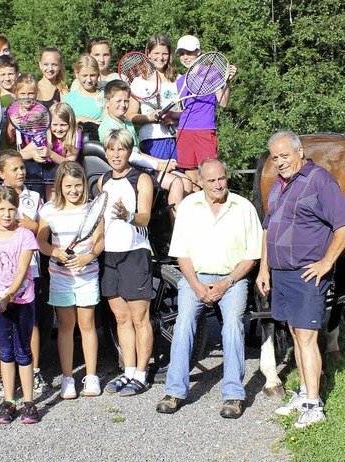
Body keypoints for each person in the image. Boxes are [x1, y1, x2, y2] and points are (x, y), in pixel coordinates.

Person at [157, 158, 262, 419]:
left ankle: (234, 395)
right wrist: (196, 285)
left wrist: (228, 282)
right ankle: (174, 392)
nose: (218, 184)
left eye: (221, 179)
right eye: (211, 180)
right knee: (183, 324)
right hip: (196, 277)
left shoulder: (243, 207)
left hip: (232, 278)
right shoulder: (189, 207)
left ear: (227, 178)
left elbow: (253, 254)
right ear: (200, 182)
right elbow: (181, 254)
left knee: (232, 327)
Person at [256, 131, 345, 428]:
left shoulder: (319, 179)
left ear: (300, 153)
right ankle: (305, 393)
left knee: (306, 338)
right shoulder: (278, 187)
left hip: (306, 272)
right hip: (281, 273)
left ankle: (314, 405)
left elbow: (342, 227)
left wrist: (326, 263)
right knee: (295, 334)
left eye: (285, 155)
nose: (280, 162)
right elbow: (268, 230)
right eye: (275, 157)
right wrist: (264, 269)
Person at [37, 161, 104, 398]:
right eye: (68, 186)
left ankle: (92, 376)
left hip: (87, 276)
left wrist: (88, 257)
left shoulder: (92, 209)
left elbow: (99, 241)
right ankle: (67, 378)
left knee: (87, 326)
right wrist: (56, 253)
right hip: (61, 277)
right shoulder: (48, 210)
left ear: (84, 185)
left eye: (78, 185)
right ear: (60, 186)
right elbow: (42, 242)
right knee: (66, 326)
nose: (73, 191)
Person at [97, 129, 154, 397]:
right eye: (111, 149)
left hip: (135, 253)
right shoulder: (103, 181)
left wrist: (127, 216)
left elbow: (145, 218)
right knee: (121, 318)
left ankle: (141, 374)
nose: (115, 154)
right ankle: (128, 371)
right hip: (110, 255)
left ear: (129, 151)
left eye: (120, 149)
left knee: (140, 319)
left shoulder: (141, 178)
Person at [0, 185, 41, 424]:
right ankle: (8, 400)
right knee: (5, 351)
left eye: (11, 209)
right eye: (1, 209)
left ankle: (28, 402)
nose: (6, 214)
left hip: (22, 300)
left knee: (23, 350)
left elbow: (22, 272)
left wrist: (8, 296)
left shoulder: (25, 236)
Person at [100, 79, 187, 219]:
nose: (123, 105)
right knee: (176, 182)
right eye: (118, 101)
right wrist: (159, 165)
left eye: (126, 101)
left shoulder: (127, 123)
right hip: (131, 172)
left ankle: (177, 226)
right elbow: (129, 157)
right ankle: (176, 234)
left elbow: (137, 152)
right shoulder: (108, 126)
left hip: (140, 165)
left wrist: (163, 162)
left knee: (186, 181)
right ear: (107, 102)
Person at [172, 35, 237, 187]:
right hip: (184, 131)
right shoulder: (181, 81)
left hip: (204, 130)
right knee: (192, 180)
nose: (185, 57)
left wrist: (226, 81)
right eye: (181, 53)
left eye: (189, 52)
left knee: (210, 176)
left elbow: (223, 102)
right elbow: (185, 109)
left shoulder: (211, 72)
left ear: (199, 52)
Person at [127, 34, 180, 163]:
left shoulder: (179, 80)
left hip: (177, 139)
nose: (160, 58)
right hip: (151, 141)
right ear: (148, 54)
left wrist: (173, 118)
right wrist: (150, 117)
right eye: (156, 53)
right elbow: (130, 115)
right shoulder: (139, 82)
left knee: (181, 179)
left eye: (165, 54)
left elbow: (188, 112)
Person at [63, 54, 104, 127]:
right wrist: (79, 119)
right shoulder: (69, 98)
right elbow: (63, 122)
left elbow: (106, 121)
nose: (89, 80)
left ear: (98, 74)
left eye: (92, 75)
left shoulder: (104, 96)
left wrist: (85, 120)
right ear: (77, 74)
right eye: (84, 75)